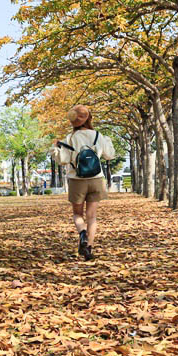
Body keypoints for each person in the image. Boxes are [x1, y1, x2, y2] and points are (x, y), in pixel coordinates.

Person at [52, 105, 116, 261]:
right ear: (88, 118)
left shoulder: (70, 138)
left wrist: (54, 149)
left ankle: (82, 234)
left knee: (77, 214)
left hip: (77, 180)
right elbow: (110, 155)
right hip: (96, 179)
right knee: (92, 217)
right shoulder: (98, 136)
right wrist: (108, 142)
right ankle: (88, 248)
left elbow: (63, 160)